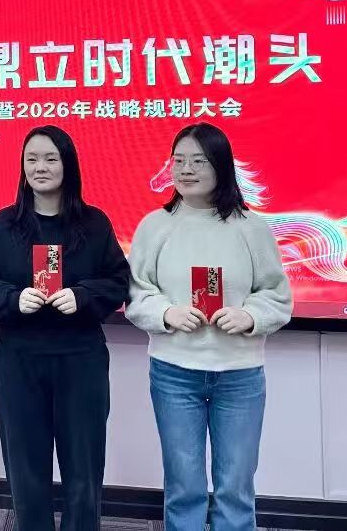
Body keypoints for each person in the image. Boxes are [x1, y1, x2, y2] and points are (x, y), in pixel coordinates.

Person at [126, 123, 293, 531]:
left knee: (235, 485)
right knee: (184, 485)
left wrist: (250, 316)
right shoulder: (155, 225)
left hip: (239, 376)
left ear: (221, 165)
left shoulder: (251, 227)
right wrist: (166, 313)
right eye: (178, 160)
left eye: (198, 161)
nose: (186, 169)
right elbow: (136, 292)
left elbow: (276, 294)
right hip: (173, 373)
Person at [0, 125, 129, 531]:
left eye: (50, 158)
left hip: (81, 359)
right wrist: (13, 299)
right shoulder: (4, 225)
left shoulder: (94, 224)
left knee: (84, 470)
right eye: (32, 159)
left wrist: (83, 296)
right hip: (19, 359)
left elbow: (119, 281)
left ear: (68, 164)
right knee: (26, 470)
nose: (40, 167)